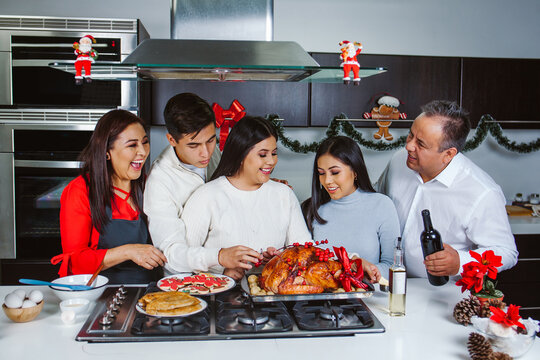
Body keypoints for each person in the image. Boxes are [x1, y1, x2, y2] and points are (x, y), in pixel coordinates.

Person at [376, 100, 518, 278]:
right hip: (388, 281)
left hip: (440, 293)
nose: (409, 146)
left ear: (448, 154)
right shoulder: (399, 161)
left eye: (421, 144)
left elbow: (506, 252)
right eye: (410, 135)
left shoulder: (482, 192)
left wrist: (461, 261)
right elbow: (376, 200)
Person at [179, 116, 312, 280]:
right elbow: (181, 258)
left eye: (274, 153)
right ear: (241, 155)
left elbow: (305, 251)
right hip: (220, 298)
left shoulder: (284, 194)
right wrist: (222, 272)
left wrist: (280, 260)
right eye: (262, 155)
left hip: (272, 299)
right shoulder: (207, 196)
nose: (271, 161)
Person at [51, 110, 167, 284]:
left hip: (148, 289)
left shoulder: (149, 184)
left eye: (145, 142)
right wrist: (128, 251)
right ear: (107, 151)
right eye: (132, 145)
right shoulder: (80, 191)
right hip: (98, 292)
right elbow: (76, 261)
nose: (143, 152)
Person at [143, 93, 221, 276]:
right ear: (172, 140)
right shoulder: (159, 181)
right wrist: (219, 257)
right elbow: (171, 257)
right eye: (193, 146)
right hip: (185, 283)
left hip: (225, 274)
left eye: (211, 140)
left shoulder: (211, 151)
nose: (205, 153)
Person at [302, 136, 399, 279]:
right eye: (321, 173)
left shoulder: (382, 205)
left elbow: (393, 265)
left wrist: (367, 270)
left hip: (369, 298)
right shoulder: (309, 209)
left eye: (335, 172)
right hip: (322, 297)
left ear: (355, 171)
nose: (327, 181)